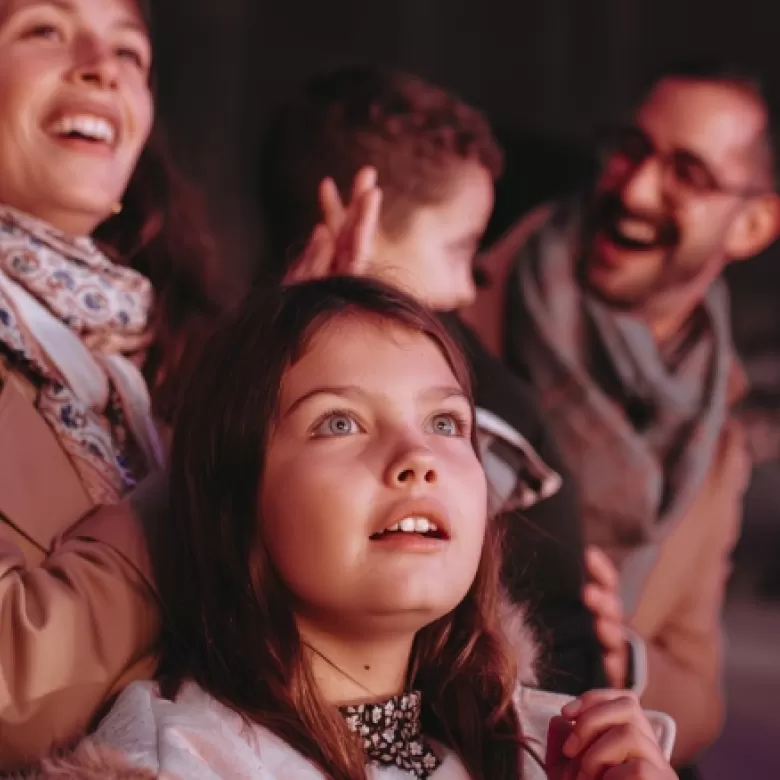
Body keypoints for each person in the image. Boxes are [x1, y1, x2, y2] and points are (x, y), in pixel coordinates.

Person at [30, 277, 677, 780]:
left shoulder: (562, 749)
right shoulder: (175, 761)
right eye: (340, 423)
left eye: (446, 424)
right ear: (236, 492)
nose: (417, 460)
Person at [462, 61, 780, 766]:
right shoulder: (458, 309)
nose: (634, 188)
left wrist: (623, 655)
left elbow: (701, 687)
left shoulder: (714, 430)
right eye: (631, 150)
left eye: (687, 173)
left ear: (753, 222)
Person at [259, 66, 608, 696]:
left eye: (445, 425)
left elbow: (554, 638)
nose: (466, 289)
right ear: (352, 213)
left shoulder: (491, 403)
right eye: (458, 248)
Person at [0, 0, 225, 766]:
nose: (103, 63)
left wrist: (295, 370)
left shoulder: (159, 362)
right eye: (44, 30)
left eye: (131, 53)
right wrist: (199, 481)